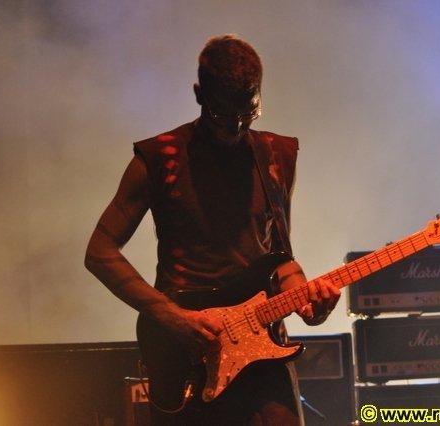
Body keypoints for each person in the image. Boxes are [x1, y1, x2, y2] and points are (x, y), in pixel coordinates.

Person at [84, 34, 340, 425]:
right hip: (188, 347)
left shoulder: (277, 156)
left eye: (248, 112)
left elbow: (280, 257)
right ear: (199, 95)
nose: (235, 127)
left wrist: (306, 302)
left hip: (262, 342)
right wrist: (170, 315)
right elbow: (100, 251)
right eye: (223, 115)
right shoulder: (160, 157)